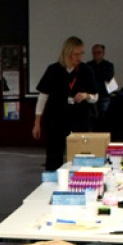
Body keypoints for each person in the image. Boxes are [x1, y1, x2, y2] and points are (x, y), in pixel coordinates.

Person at [32, 36, 98, 170]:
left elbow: (95, 97)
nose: (79, 58)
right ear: (67, 53)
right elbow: (43, 97)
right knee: (53, 156)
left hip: (80, 120)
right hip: (56, 120)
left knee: (80, 156)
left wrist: (86, 96)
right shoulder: (53, 70)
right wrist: (37, 122)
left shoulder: (86, 70)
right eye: (76, 54)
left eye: (81, 54)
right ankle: (51, 184)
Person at [87, 44, 115, 131]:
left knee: (104, 116)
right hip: (91, 94)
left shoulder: (108, 65)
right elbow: (86, 78)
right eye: (94, 53)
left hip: (104, 95)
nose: (97, 55)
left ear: (103, 53)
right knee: (91, 117)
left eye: (99, 52)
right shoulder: (88, 65)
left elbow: (108, 77)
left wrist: (96, 75)